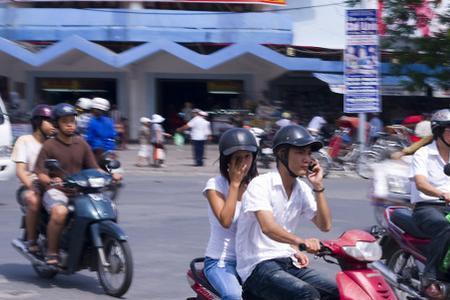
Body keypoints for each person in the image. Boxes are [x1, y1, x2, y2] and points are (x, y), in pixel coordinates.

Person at [236, 124, 339, 300]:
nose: (307, 159)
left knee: (337, 291)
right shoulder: (261, 184)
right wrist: (301, 242)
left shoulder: (302, 189)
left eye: (309, 153)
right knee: (307, 294)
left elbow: (325, 225)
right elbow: (268, 227)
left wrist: (318, 187)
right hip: (257, 265)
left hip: (287, 261)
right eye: (300, 153)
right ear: (282, 155)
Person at [34, 103, 99, 265]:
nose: (70, 124)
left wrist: (114, 174)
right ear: (57, 124)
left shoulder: (81, 143)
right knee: (60, 212)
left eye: (72, 121)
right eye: (65, 121)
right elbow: (40, 172)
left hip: (80, 191)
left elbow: (95, 168)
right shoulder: (49, 145)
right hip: (57, 190)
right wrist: (49, 180)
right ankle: (52, 251)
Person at [203, 128, 258, 300]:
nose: (243, 163)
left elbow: (272, 223)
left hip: (252, 260)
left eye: (247, 157)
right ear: (227, 160)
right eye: (237, 158)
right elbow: (225, 220)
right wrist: (235, 184)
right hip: (221, 262)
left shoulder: (258, 185)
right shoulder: (215, 185)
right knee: (234, 296)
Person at [410, 109, 450, 299]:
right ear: (439, 132)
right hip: (428, 207)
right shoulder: (423, 154)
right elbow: (421, 183)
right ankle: (430, 278)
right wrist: (442, 193)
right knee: (446, 227)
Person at [11, 104, 54, 254]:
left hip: (50, 184)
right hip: (29, 185)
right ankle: (31, 240)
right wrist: (32, 186)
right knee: (34, 200)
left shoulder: (53, 142)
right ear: (38, 122)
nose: (53, 125)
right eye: (49, 121)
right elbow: (20, 171)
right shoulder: (24, 140)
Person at [86, 97, 117, 163]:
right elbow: (113, 136)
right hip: (109, 151)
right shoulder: (109, 121)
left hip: (96, 151)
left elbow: (90, 139)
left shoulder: (92, 121)